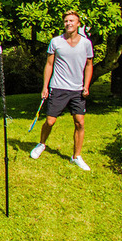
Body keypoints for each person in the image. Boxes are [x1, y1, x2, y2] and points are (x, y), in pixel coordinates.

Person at [30, 10, 94, 170]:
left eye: (72, 21)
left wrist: (86, 85)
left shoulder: (86, 43)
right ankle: (41, 144)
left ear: (78, 24)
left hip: (77, 90)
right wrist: (45, 87)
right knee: (50, 121)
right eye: (66, 21)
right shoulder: (55, 42)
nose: (68, 23)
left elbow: (89, 65)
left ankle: (76, 157)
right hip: (58, 88)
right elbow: (49, 65)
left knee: (79, 122)